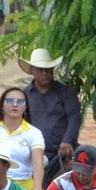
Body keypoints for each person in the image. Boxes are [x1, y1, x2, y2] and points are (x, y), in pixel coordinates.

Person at [19, 47, 81, 179]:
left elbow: (74, 117)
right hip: (37, 150)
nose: (45, 73)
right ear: (31, 71)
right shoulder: (23, 95)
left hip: (65, 149)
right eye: (40, 70)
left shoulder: (66, 92)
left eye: (48, 70)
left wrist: (67, 140)